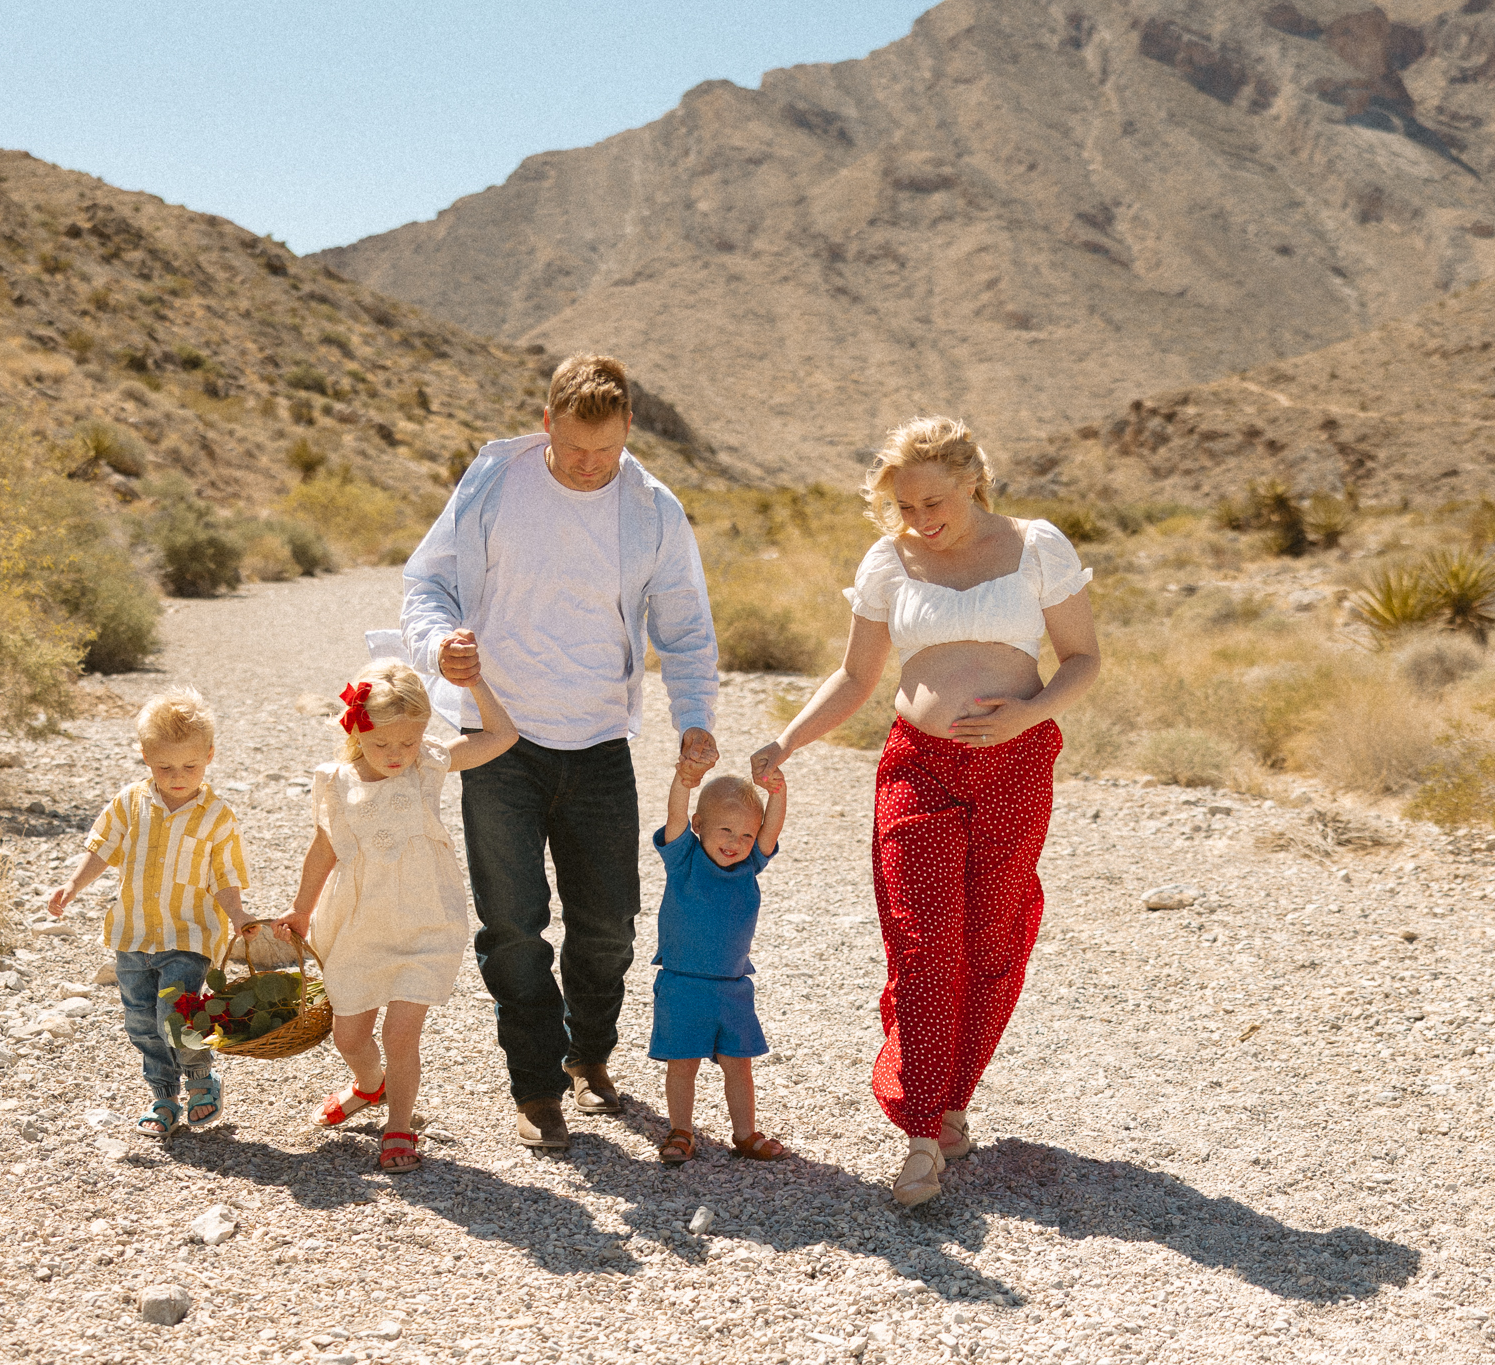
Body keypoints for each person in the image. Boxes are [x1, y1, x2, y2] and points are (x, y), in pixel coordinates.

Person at [749, 417, 1101, 1207]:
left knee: (991, 939)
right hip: (917, 767)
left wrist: (1025, 715)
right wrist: (787, 740)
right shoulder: (888, 561)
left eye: (933, 501)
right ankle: (917, 1135)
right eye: (905, 506)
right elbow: (855, 675)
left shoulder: (1037, 546)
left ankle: (949, 1102)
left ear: (974, 477)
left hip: (1014, 763)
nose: (920, 520)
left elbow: (1084, 659)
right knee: (920, 940)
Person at [400, 353, 720, 1149]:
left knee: (608, 922)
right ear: (546, 422)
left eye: (605, 450)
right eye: (574, 447)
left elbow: (684, 627)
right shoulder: (495, 484)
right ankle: (537, 1085)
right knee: (512, 924)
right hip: (498, 738)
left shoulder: (651, 509)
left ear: (629, 431)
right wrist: (440, 645)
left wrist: (695, 718)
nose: (588, 465)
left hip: (598, 741)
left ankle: (590, 1055)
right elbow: (425, 584)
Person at [273, 652, 518, 1173]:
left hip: (424, 919)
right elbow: (323, 849)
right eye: (381, 742)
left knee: (402, 1034)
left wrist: (475, 683)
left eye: (407, 741)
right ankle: (368, 1083)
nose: (396, 753)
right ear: (356, 730)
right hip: (359, 924)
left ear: (423, 729)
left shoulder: (428, 763)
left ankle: (399, 1125)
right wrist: (300, 909)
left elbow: (502, 737)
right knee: (350, 1035)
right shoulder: (337, 782)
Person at [48, 689, 264, 1136]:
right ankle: (163, 1094)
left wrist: (239, 914)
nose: (178, 777)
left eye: (190, 766)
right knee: (141, 1021)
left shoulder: (218, 817)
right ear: (145, 756)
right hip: (132, 935)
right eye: (165, 767)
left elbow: (224, 875)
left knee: (177, 1015)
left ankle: (201, 1080)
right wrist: (73, 884)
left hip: (189, 936)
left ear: (209, 756)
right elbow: (102, 849)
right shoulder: (130, 803)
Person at [647, 763, 790, 1166]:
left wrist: (777, 791)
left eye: (746, 834)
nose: (736, 842)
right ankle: (681, 1130)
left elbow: (772, 830)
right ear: (699, 824)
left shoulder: (750, 866)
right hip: (682, 984)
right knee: (682, 1065)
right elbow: (675, 815)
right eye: (726, 830)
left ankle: (745, 1135)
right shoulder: (683, 859)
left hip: (733, 986)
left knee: (739, 1066)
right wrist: (683, 781)